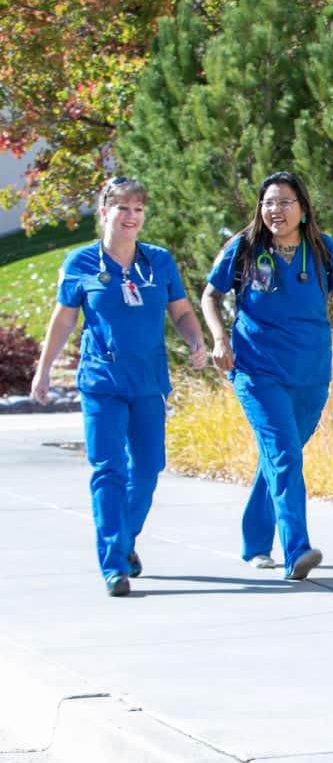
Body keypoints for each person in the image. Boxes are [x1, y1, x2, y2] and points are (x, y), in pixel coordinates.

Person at [200, 171, 333, 581]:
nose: (275, 210)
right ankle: (296, 549)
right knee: (284, 455)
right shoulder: (244, 247)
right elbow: (210, 295)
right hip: (256, 370)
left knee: (282, 456)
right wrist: (218, 339)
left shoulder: (322, 250)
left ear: (302, 209)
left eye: (285, 202)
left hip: (310, 372)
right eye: (268, 202)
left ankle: (254, 541)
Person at [31, 176, 208, 596]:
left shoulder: (158, 262)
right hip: (102, 382)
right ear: (105, 212)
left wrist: (196, 340)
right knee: (109, 470)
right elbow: (64, 320)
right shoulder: (81, 263)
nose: (131, 217)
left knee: (148, 469)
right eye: (123, 208)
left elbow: (181, 312)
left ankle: (126, 540)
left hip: (147, 382)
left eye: (138, 210)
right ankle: (113, 564)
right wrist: (43, 370)